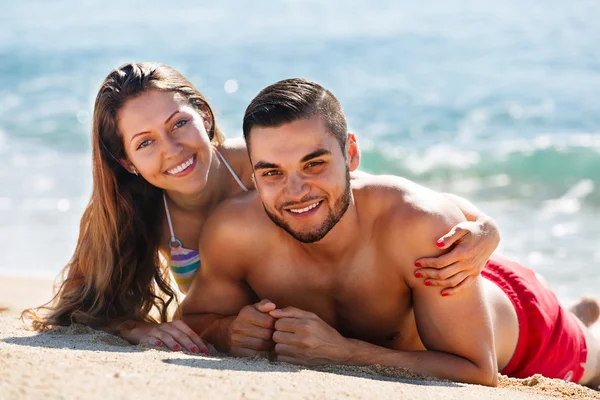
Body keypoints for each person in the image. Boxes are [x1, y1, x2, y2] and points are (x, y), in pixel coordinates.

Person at [22, 63, 500, 354]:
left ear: (204, 117)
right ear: (126, 160)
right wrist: (133, 328)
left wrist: (487, 229)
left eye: (179, 124)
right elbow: (81, 301)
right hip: (311, 330)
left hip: (421, 298)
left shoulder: (267, 168)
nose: (172, 149)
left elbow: (380, 197)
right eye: (145, 142)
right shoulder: (132, 212)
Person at [180, 78, 600, 388]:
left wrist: (343, 353)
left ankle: (578, 319)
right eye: (272, 172)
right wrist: (227, 330)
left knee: (593, 361)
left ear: (353, 154)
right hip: (453, 295)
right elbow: (195, 319)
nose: (295, 193)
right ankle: (581, 309)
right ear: (253, 172)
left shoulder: (417, 223)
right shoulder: (234, 233)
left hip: (524, 327)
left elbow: (478, 372)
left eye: (314, 164)